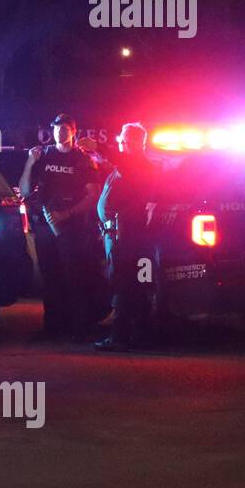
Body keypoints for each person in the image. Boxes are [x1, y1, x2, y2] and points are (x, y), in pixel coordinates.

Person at [19, 113, 104, 340]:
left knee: (75, 278)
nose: (60, 132)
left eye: (65, 128)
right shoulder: (43, 156)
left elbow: (93, 196)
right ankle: (52, 327)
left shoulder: (82, 159)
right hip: (46, 228)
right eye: (57, 128)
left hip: (72, 228)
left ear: (73, 131)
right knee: (50, 277)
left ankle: (80, 328)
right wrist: (30, 162)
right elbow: (25, 190)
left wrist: (66, 214)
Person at [94, 122, 159, 351]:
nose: (119, 142)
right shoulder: (125, 167)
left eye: (123, 139)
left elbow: (121, 164)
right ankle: (137, 334)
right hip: (116, 234)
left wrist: (97, 148)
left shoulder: (138, 166)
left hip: (128, 236)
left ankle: (120, 336)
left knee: (124, 285)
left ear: (134, 142)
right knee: (129, 285)